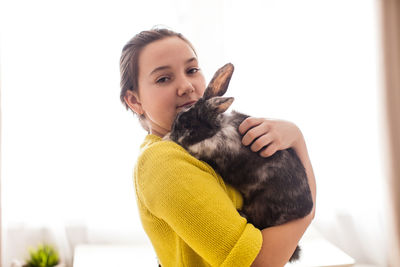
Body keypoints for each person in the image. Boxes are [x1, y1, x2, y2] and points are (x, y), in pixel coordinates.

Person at [120, 28, 316, 267]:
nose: (186, 86)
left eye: (192, 70)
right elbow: (257, 263)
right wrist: (307, 207)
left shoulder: (200, 150)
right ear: (135, 100)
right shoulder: (162, 161)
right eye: (163, 78)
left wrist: (294, 135)